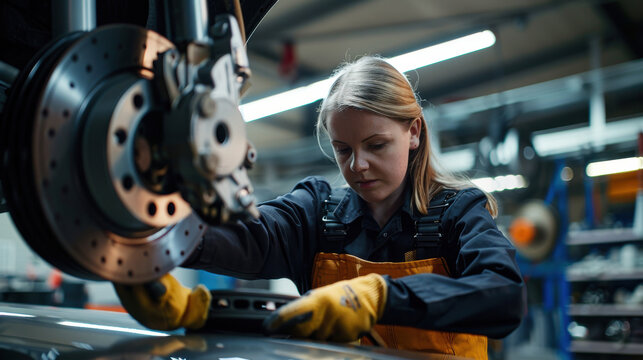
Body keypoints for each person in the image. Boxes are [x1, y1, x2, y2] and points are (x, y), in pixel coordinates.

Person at [115, 56, 525, 359]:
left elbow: (503, 295)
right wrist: (157, 236)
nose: (357, 165)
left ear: (413, 132)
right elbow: (251, 236)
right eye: (343, 149)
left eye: (376, 145)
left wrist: (381, 297)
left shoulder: (458, 213)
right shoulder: (316, 213)